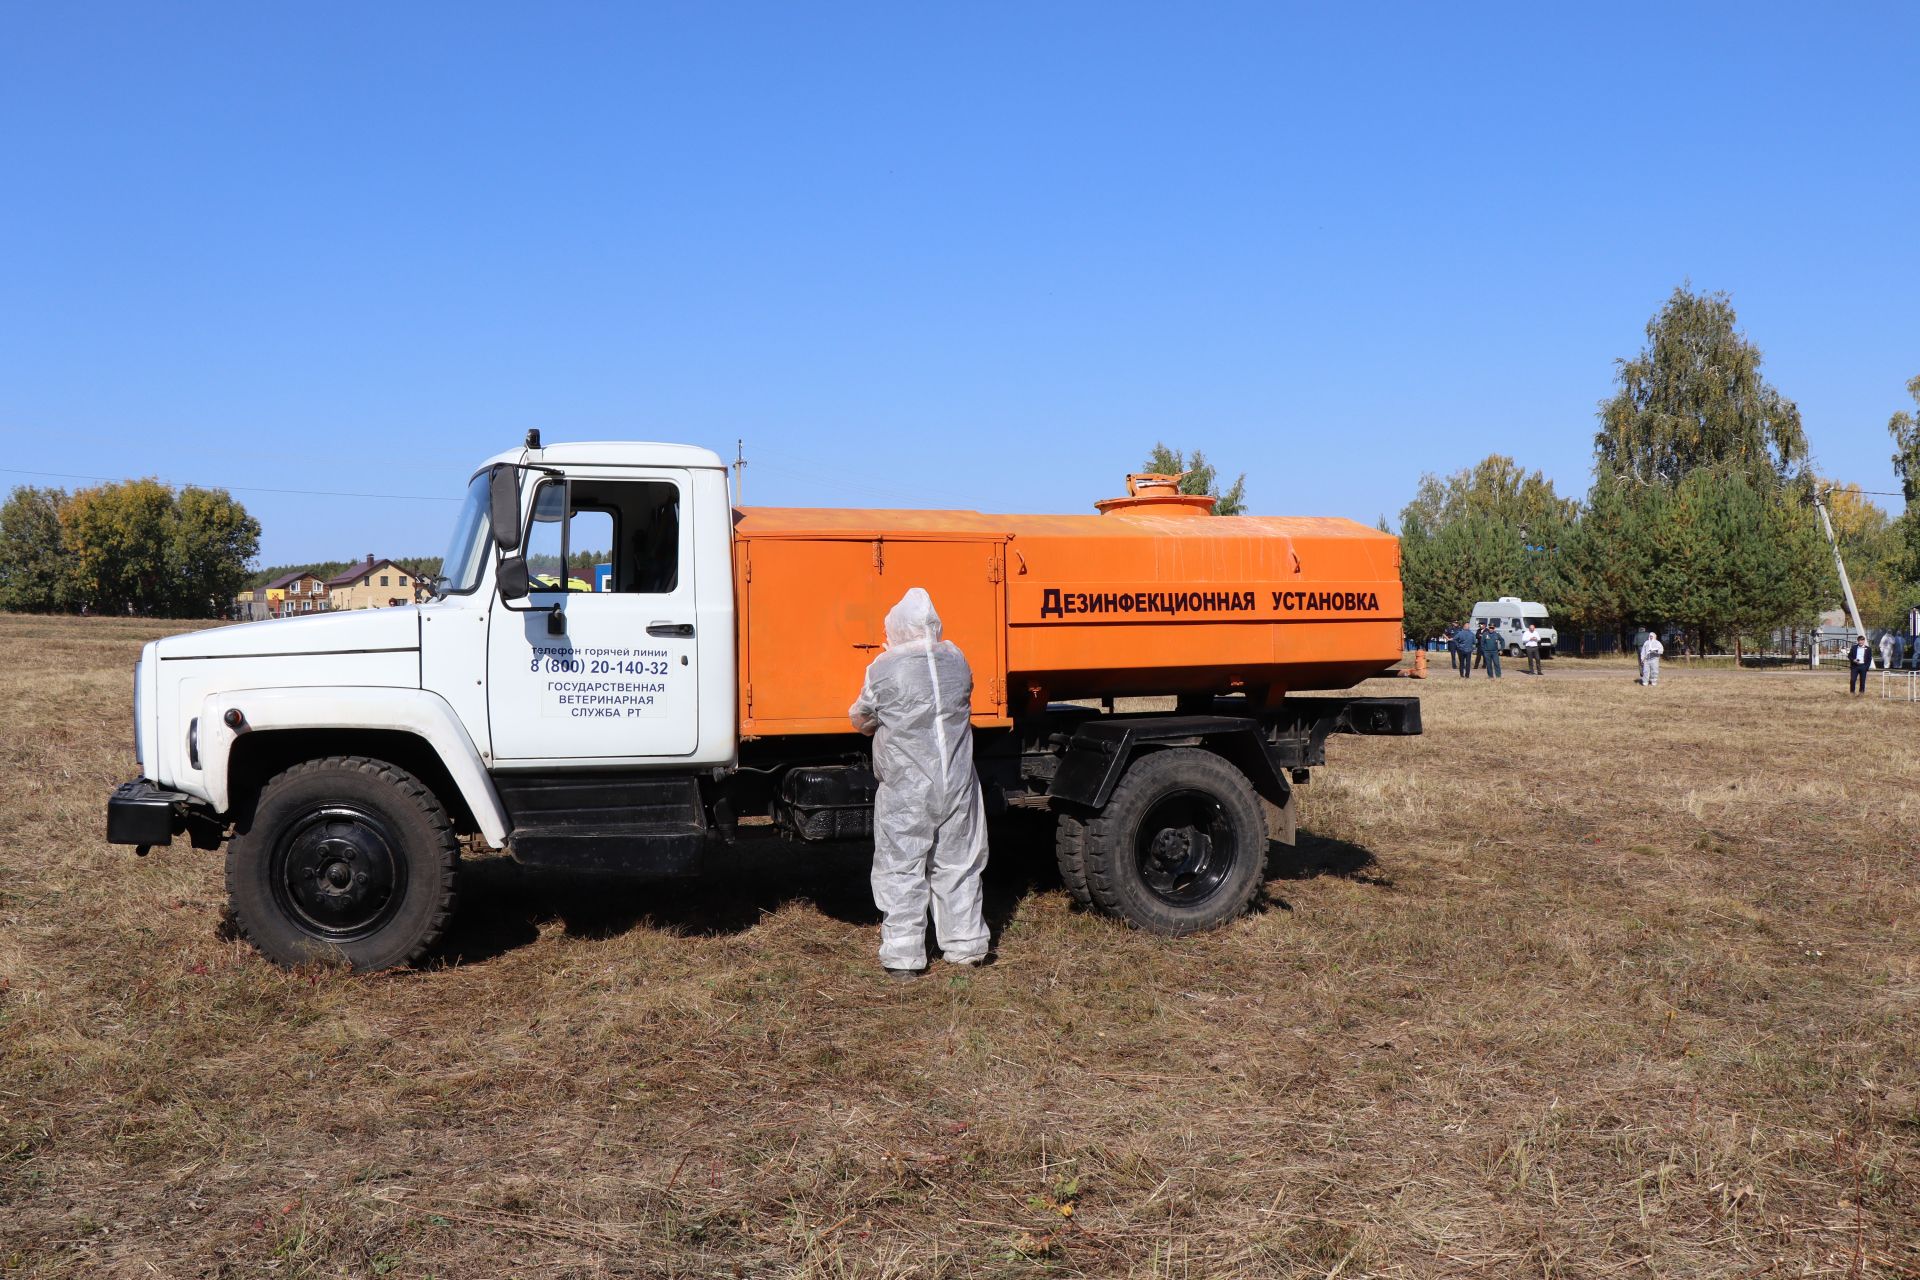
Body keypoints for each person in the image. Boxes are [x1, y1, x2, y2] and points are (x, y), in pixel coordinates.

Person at [849, 587, 991, 979]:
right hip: (958, 780)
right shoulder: (957, 659)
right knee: (959, 862)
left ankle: (904, 957)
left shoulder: (884, 666)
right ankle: (965, 947)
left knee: (902, 863)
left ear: (896, 627)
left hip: (908, 785)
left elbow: (861, 717)